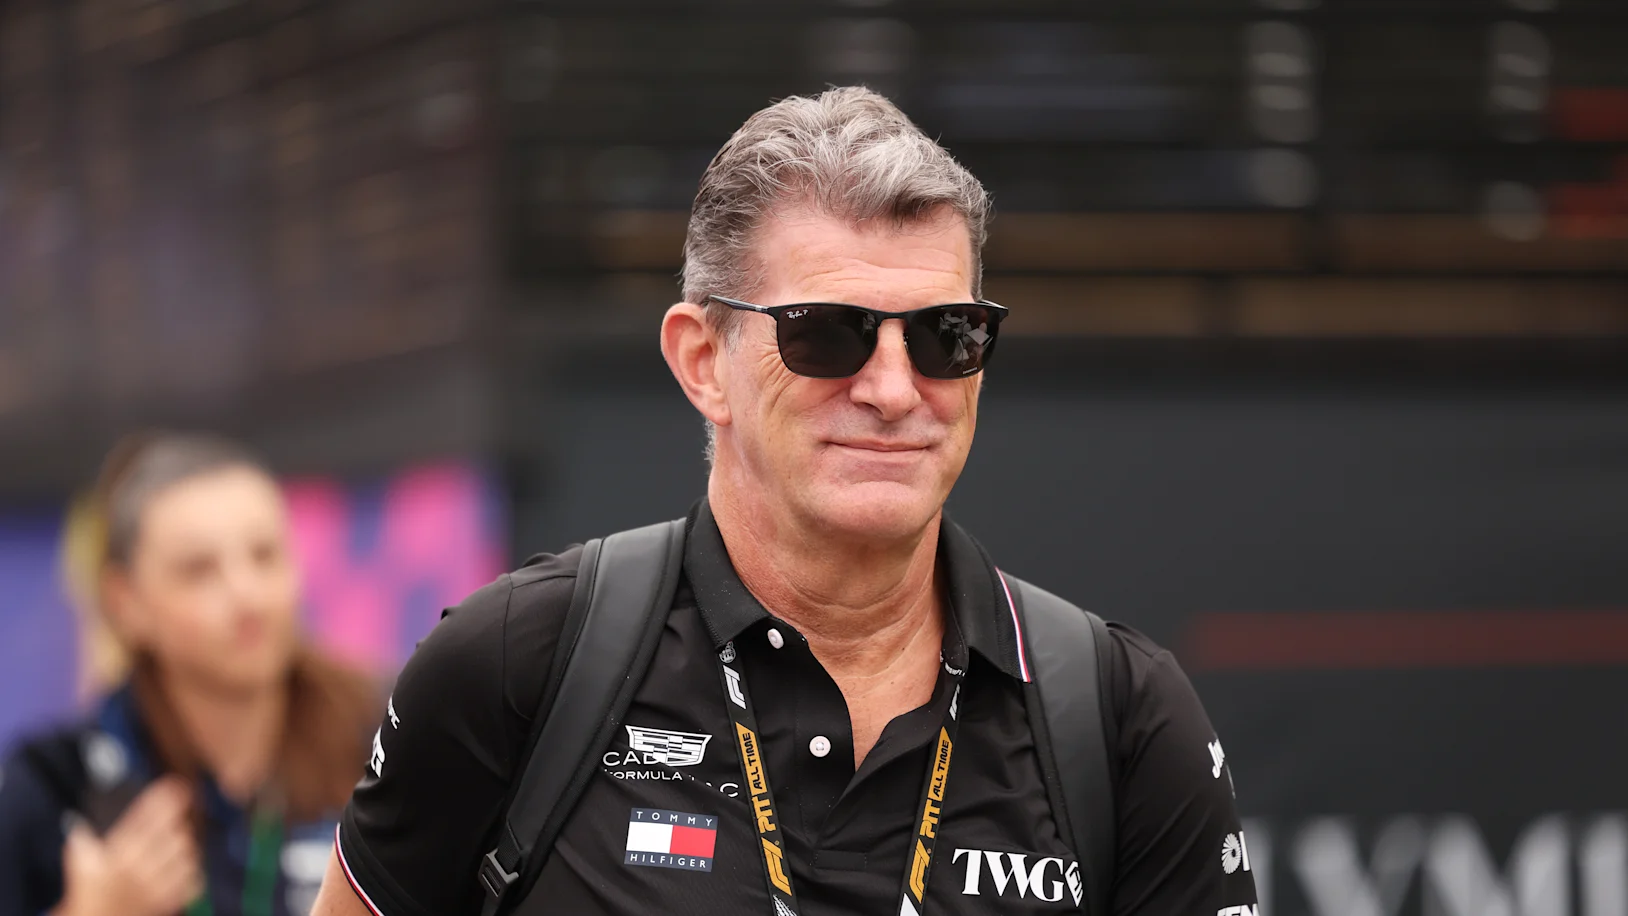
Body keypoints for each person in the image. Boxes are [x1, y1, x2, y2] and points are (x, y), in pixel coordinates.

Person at [314, 86, 1258, 916]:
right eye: (827, 335)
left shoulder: (1121, 715)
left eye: (946, 336)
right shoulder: (518, 663)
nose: (894, 389)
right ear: (701, 363)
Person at [0, 433, 380, 916]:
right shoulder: (54, 784)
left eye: (265, 555)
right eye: (199, 570)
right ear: (125, 602)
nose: (247, 596)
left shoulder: (383, 737)